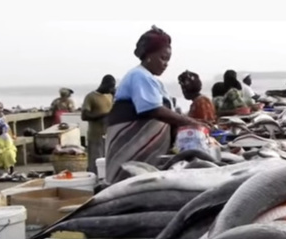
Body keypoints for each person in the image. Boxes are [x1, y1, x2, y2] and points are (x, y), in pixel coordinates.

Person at [104, 25, 204, 184]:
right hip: (132, 147)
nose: (166, 64)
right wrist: (191, 122)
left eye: (168, 60)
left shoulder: (152, 80)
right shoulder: (139, 75)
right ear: (148, 55)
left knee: (142, 185)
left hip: (146, 153)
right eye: (162, 58)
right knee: (129, 185)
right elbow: (153, 109)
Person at [81, 74, 116, 173]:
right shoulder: (91, 97)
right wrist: (104, 115)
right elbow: (84, 116)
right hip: (95, 135)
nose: (111, 89)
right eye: (110, 87)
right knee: (95, 162)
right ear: (103, 84)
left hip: (108, 135)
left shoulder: (109, 95)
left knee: (106, 162)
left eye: (113, 87)